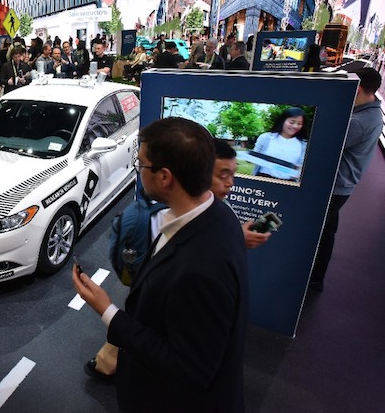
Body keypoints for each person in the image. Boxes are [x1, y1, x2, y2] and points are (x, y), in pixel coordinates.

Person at [72, 117, 248, 412]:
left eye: (141, 164)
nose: (138, 171)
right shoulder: (217, 214)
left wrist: (108, 311)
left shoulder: (200, 268)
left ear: (165, 177)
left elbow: (187, 369)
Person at [86, 138, 270, 380]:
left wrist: (106, 309)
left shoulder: (215, 227)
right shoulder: (165, 219)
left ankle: (109, 363)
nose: (230, 184)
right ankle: (107, 363)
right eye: (222, 175)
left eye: (232, 174)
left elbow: (191, 365)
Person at [310, 68, 382, 291]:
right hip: (342, 185)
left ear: (358, 89)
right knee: (327, 231)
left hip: (335, 185)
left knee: (317, 231)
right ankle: (315, 279)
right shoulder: (370, 114)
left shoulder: (359, 122)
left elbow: (325, 144)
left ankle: (311, 279)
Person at [252, 107, 308, 181]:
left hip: (287, 183)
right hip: (262, 179)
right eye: (292, 122)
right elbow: (253, 156)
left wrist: (299, 173)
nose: (295, 126)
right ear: (283, 121)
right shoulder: (266, 137)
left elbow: (300, 166)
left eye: (299, 124)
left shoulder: (303, 145)